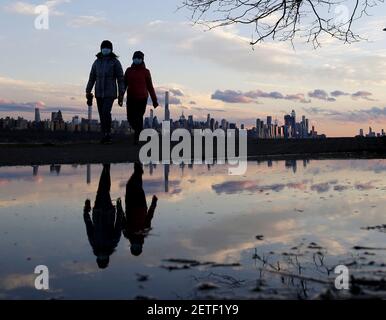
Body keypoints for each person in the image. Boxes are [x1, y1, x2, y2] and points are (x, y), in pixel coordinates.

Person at [83, 164, 123, 269]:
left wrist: (86, 210)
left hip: (98, 212)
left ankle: (106, 168)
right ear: (107, 258)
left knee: (102, 190)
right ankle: (106, 168)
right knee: (103, 191)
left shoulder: (94, 244)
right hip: (107, 212)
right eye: (103, 259)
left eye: (100, 259)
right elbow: (118, 225)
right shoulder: (112, 243)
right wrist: (119, 208)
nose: (102, 257)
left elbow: (89, 226)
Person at [86, 40, 125, 144]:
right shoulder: (96, 62)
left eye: (107, 48)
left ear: (111, 49)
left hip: (110, 93)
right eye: (103, 48)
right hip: (99, 92)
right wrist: (88, 91)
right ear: (101, 49)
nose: (105, 49)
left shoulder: (115, 62)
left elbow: (121, 78)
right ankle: (104, 134)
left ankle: (108, 134)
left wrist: (121, 92)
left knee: (105, 112)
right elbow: (92, 78)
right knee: (101, 114)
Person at [118, 162, 158, 256]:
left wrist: (119, 208)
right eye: (137, 247)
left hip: (135, 205)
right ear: (140, 246)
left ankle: (138, 169)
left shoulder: (130, 234)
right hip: (137, 205)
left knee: (135, 185)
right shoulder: (141, 233)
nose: (135, 245)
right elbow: (149, 217)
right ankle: (138, 169)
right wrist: (153, 204)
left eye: (134, 247)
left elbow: (122, 219)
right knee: (134, 185)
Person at [123, 51, 159, 145]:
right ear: (133, 59)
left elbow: (150, 87)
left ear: (142, 60)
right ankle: (139, 131)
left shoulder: (146, 72)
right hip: (131, 98)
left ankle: (137, 137)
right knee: (130, 118)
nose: (137, 59)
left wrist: (154, 100)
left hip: (142, 98)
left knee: (138, 117)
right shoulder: (128, 71)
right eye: (135, 58)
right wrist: (120, 97)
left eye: (139, 58)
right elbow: (124, 85)